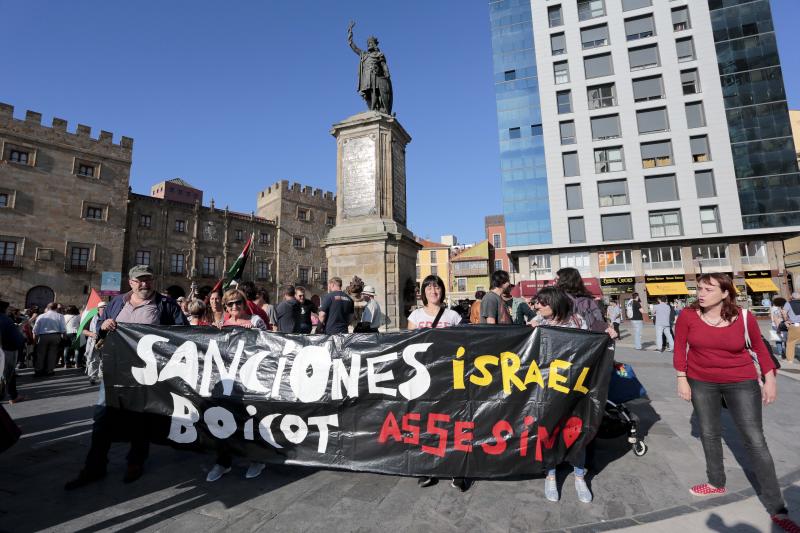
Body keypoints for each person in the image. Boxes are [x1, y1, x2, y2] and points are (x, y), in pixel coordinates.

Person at [674, 273, 798, 531]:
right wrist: (681, 378)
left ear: (725, 293)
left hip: (740, 381)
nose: (701, 293)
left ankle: (777, 508)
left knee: (754, 439)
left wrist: (770, 379)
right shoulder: (687, 316)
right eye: (699, 288)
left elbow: (761, 349)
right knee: (709, 433)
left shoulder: (743, 317)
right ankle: (716, 482)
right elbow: (680, 347)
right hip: (701, 381)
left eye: (708, 289)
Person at [65, 265, 189, 490]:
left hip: (148, 372)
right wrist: (104, 326)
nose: (145, 284)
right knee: (102, 416)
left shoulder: (166, 305)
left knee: (140, 416)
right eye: (139, 280)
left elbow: (183, 333)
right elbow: (101, 332)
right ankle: (94, 466)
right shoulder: (116, 303)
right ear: (130, 282)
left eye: (148, 280)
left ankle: (135, 461)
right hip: (116, 370)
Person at [527, 286, 592, 503]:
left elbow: (591, 345)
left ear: (554, 302)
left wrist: (608, 335)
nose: (538, 306)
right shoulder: (539, 322)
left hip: (575, 386)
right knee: (550, 430)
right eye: (537, 302)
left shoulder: (577, 321)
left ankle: (580, 475)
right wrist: (530, 331)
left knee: (577, 428)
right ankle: (550, 473)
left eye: (542, 302)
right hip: (547, 388)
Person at [407, 275, 466, 491]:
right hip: (422, 377)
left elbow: (464, 343)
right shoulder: (415, 315)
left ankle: (455, 468)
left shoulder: (453, 316)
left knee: (451, 421)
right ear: (423, 292)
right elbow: (408, 345)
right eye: (429, 287)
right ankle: (426, 467)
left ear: (442, 290)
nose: (433, 291)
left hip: (449, 375)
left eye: (437, 287)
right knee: (425, 420)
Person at [206, 288, 266, 482]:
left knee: (250, 419)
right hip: (228, 380)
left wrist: (255, 333)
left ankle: (257, 459)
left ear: (244, 302)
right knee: (223, 419)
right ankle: (223, 462)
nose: (234, 307)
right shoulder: (223, 323)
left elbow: (271, 344)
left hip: (250, 379)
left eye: (238, 302)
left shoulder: (256, 321)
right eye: (230, 304)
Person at [554, 267, 617, 338]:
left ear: (565, 281)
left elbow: (594, 322)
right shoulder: (586, 300)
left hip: (571, 339)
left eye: (556, 279)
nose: (554, 282)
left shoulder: (583, 301)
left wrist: (606, 329)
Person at [347, 20, 393, 115]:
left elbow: (384, 66)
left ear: (374, 44)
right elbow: (353, 47)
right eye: (368, 43)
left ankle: (373, 108)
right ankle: (371, 108)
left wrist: (387, 74)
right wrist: (350, 33)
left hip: (376, 75)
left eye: (371, 43)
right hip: (367, 77)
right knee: (370, 93)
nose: (369, 44)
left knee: (375, 91)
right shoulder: (364, 54)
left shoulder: (379, 54)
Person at [0, 300, 26, 404]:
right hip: (6, 350)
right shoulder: (5, 319)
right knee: (8, 374)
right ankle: (12, 396)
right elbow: (17, 339)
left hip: (5, 349)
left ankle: (13, 395)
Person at [32, 302, 66, 377]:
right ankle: (50, 370)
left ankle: (38, 370)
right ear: (56, 308)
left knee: (41, 354)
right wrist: (64, 337)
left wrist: (35, 339)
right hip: (55, 335)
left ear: (47, 308)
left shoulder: (42, 316)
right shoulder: (60, 316)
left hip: (43, 336)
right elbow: (63, 328)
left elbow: (35, 329)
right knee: (52, 354)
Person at [83, 301, 106, 386]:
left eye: (106, 307)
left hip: (105, 342)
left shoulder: (110, 317)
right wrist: (92, 334)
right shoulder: (91, 318)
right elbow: (84, 331)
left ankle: (102, 376)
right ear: (98, 309)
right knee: (94, 360)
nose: (104, 309)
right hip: (93, 342)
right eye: (102, 307)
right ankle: (92, 377)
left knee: (104, 360)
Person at [782, 292, 800, 364]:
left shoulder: (788, 303)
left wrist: (786, 320)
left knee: (790, 343)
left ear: (792, 297)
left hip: (794, 325)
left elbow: (784, 312)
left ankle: (790, 360)